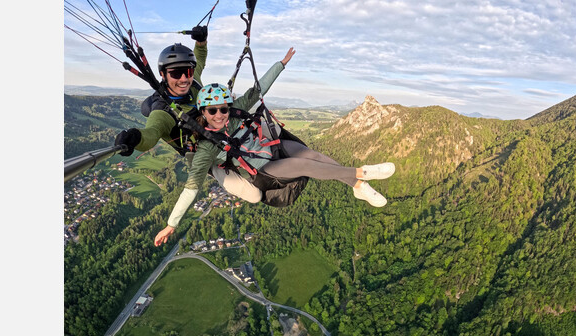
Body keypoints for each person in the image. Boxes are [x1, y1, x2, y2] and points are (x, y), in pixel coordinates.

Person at [153, 47, 395, 247]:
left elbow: (258, 90)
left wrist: (281, 64)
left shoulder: (235, 112)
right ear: (203, 112)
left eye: (223, 108)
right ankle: (362, 172)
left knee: (313, 154)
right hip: (263, 171)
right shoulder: (207, 146)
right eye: (212, 111)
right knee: (304, 164)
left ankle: (358, 185)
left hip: (270, 147)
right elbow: (191, 188)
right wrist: (171, 224)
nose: (219, 115)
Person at [113, 28, 261, 202]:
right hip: (206, 156)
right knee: (254, 195)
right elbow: (152, 133)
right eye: (176, 73)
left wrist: (201, 41)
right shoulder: (162, 111)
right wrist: (135, 138)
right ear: (162, 74)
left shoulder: (194, 81)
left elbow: (200, 57)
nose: (184, 79)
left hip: (224, 132)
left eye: (188, 72)